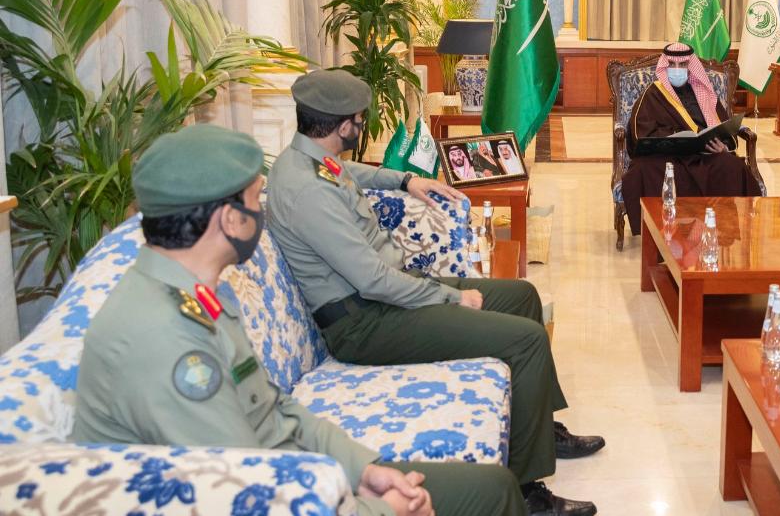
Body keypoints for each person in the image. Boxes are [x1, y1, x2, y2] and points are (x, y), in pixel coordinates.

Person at [71, 124, 526, 516]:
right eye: (256, 200)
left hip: (292, 473)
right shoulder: (163, 338)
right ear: (229, 219)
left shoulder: (196, 295)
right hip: (270, 491)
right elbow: (242, 492)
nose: (263, 213)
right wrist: (381, 510)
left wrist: (363, 469)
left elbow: (272, 407)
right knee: (489, 496)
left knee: (493, 487)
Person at [266, 69, 604, 516]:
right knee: (527, 341)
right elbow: (372, 280)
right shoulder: (306, 191)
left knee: (523, 295)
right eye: (360, 119)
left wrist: (404, 180)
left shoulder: (308, 158)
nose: (362, 125)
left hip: (388, 297)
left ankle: (540, 429)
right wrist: (451, 297)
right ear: (343, 126)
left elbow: (345, 171)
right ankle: (528, 492)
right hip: (365, 323)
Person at [621, 43, 762, 235]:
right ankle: (658, 233)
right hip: (666, 157)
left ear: (690, 66)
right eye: (672, 64)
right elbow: (640, 133)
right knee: (641, 171)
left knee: (732, 166)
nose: (677, 69)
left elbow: (723, 128)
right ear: (665, 66)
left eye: (682, 64)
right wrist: (673, 136)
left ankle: (723, 230)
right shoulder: (653, 94)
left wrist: (723, 146)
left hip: (704, 155)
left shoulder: (704, 91)